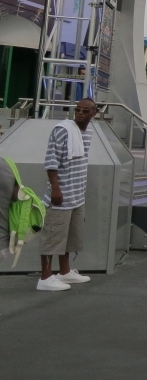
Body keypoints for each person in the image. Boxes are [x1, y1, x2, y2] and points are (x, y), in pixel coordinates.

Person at [37, 99, 98, 291]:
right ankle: (45, 278)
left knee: (70, 237)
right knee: (53, 236)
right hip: (61, 195)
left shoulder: (87, 132)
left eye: (85, 110)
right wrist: (55, 188)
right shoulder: (62, 130)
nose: (80, 113)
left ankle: (65, 272)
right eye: (78, 110)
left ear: (93, 113)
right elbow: (51, 160)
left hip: (77, 194)